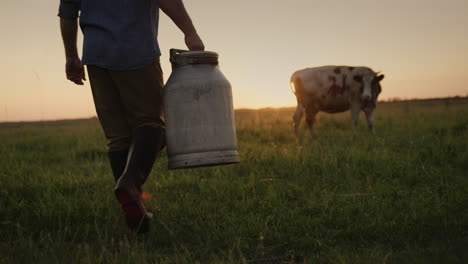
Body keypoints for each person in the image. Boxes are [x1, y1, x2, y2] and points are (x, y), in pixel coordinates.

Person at [58, 0, 205, 233]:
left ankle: (133, 213)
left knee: (118, 137)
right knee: (151, 122)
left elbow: (67, 13)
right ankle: (131, 185)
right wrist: (190, 33)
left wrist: (71, 57)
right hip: (136, 49)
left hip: (95, 54)